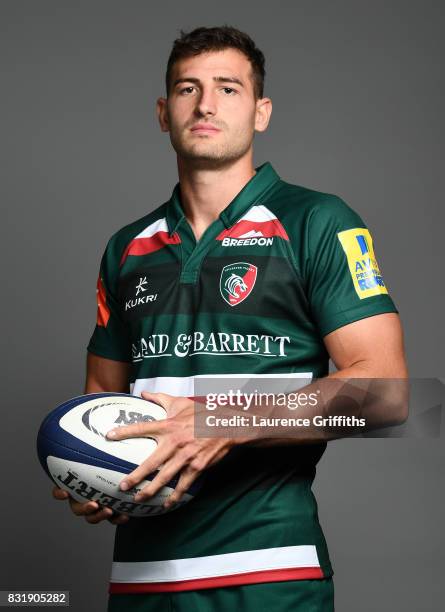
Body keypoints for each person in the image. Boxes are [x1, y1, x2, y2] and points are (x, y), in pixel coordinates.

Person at [53, 25, 408, 611]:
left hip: (268, 572)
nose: (207, 104)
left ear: (261, 112)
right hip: (140, 581)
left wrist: (218, 418)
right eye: (188, 89)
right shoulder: (126, 247)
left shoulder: (317, 221)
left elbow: (388, 395)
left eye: (228, 88)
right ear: (164, 114)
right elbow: (98, 401)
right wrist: (87, 468)